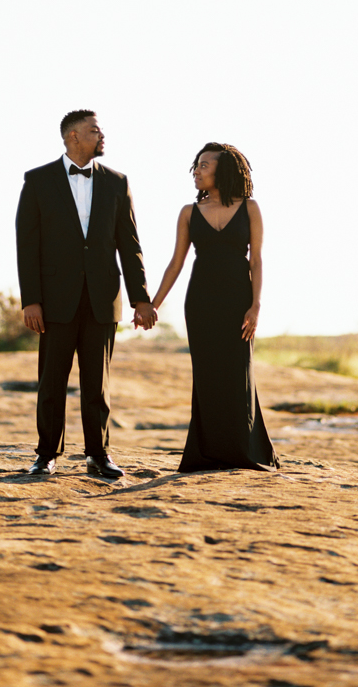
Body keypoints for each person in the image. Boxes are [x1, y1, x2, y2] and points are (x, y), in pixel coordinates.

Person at [16, 110, 157, 478]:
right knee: (51, 384)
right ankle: (46, 455)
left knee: (97, 385)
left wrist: (140, 299)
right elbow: (26, 245)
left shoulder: (117, 182)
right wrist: (30, 299)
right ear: (73, 137)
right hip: (53, 301)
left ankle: (99, 454)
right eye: (95, 130)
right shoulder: (37, 180)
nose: (102, 135)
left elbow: (130, 245)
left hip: (101, 299)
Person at [151, 142, 280, 473]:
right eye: (196, 165)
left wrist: (255, 305)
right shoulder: (188, 213)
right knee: (207, 376)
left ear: (223, 171)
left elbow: (258, 259)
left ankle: (244, 450)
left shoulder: (250, 208)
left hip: (238, 300)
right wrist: (153, 305)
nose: (197, 170)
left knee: (239, 373)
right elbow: (176, 263)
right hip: (201, 302)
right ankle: (205, 453)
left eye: (204, 166)